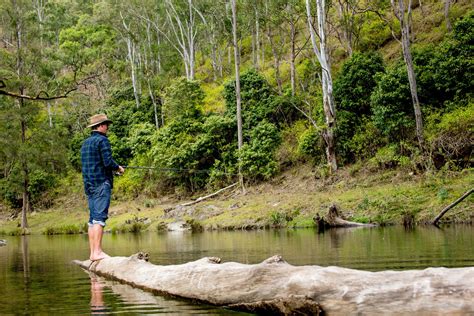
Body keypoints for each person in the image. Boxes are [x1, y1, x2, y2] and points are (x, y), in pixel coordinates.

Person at [81, 114, 124, 261]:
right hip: (101, 183)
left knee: (92, 219)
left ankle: (93, 253)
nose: (108, 127)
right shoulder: (102, 140)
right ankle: (98, 252)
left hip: (89, 185)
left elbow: (90, 165)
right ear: (100, 126)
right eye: (106, 125)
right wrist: (118, 168)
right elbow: (107, 162)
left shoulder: (85, 143)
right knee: (99, 218)